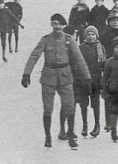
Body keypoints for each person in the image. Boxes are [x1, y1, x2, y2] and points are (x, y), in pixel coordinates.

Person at [21, 13, 91, 149]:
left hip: (65, 77)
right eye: (54, 23)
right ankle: (48, 137)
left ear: (63, 25)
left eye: (59, 24)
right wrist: (26, 73)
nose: (57, 26)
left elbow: (79, 59)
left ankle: (70, 136)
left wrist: (87, 78)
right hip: (48, 78)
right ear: (51, 24)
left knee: (69, 107)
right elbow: (34, 55)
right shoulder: (46, 40)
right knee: (48, 109)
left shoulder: (69, 39)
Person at [76, 26, 107, 139]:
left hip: (96, 80)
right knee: (83, 103)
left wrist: (105, 80)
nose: (91, 37)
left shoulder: (100, 48)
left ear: (96, 36)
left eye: (93, 34)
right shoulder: (80, 48)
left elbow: (104, 65)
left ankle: (97, 125)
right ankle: (85, 126)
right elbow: (77, 63)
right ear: (85, 36)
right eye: (88, 34)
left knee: (96, 104)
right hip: (83, 80)